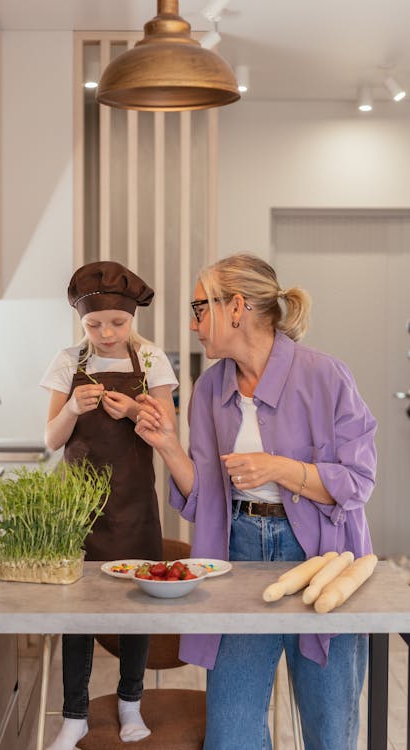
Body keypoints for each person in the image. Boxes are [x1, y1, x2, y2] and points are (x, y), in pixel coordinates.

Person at [135, 253, 377, 750]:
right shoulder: (208, 389)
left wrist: (281, 469)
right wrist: (167, 445)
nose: (193, 323)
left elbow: (359, 479)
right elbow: (205, 498)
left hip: (320, 562)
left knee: (330, 731)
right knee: (232, 733)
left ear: (237, 307)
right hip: (238, 555)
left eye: (200, 307)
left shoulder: (327, 377)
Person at [40, 260, 178, 750]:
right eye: (94, 325)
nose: (106, 334)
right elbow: (51, 438)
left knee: (135, 606)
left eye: (117, 324)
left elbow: (170, 432)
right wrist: (74, 408)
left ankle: (130, 704)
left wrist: (137, 409)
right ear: (81, 322)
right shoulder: (66, 361)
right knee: (77, 610)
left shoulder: (153, 360)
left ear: (132, 318)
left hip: (135, 504)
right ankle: (74, 714)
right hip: (78, 510)